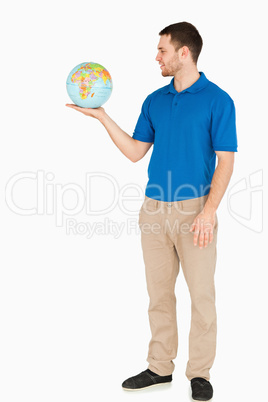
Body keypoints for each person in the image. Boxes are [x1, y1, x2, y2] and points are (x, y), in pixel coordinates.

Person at [66, 21, 237, 402]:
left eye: (162, 50)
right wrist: (102, 117)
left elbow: (226, 160)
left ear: (184, 53)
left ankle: (200, 374)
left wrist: (208, 213)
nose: (156, 57)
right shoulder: (154, 100)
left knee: (201, 296)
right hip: (154, 210)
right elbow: (134, 152)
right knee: (158, 295)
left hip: (196, 212)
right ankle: (160, 367)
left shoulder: (218, 100)